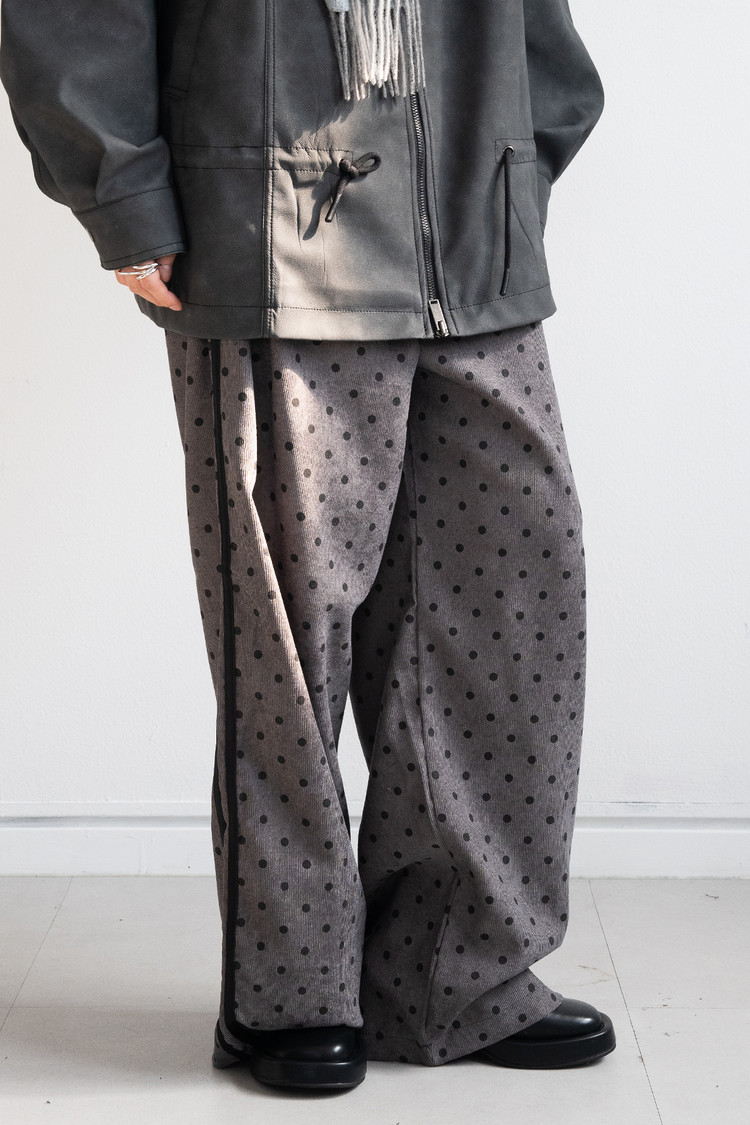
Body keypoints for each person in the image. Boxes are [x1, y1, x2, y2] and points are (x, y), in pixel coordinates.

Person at [0, 0, 613, 1093]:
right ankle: (291, 993)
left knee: (508, 616)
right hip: (276, 231)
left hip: (472, 216)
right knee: (285, 645)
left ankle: (456, 975)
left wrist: (536, 131)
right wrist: (124, 190)